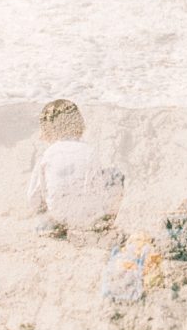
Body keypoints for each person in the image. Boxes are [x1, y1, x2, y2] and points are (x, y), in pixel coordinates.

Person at [27, 99, 124, 238]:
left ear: (47, 129)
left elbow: (33, 198)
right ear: (78, 123)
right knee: (116, 175)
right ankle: (105, 222)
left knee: (45, 191)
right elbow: (97, 187)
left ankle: (50, 224)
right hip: (87, 216)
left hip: (58, 214)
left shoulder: (46, 156)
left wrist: (44, 210)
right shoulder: (89, 151)